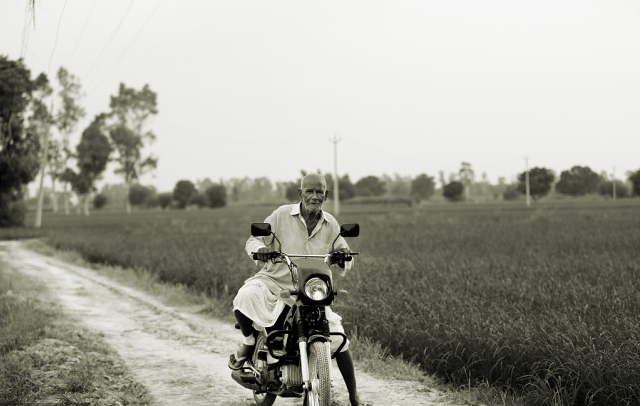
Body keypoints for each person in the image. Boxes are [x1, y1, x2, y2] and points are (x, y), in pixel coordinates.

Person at [229, 173, 370, 406]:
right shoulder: (281, 215)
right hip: (274, 282)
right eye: (310, 191)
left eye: (319, 192)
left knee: (338, 337)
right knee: (246, 296)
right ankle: (249, 343)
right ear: (300, 193)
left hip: (311, 290)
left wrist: (343, 256)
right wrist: (261, 249)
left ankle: (354, 398)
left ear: (326, 194)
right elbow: (253, 240)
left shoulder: (331, 223)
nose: (315, 196)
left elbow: (345, 255)